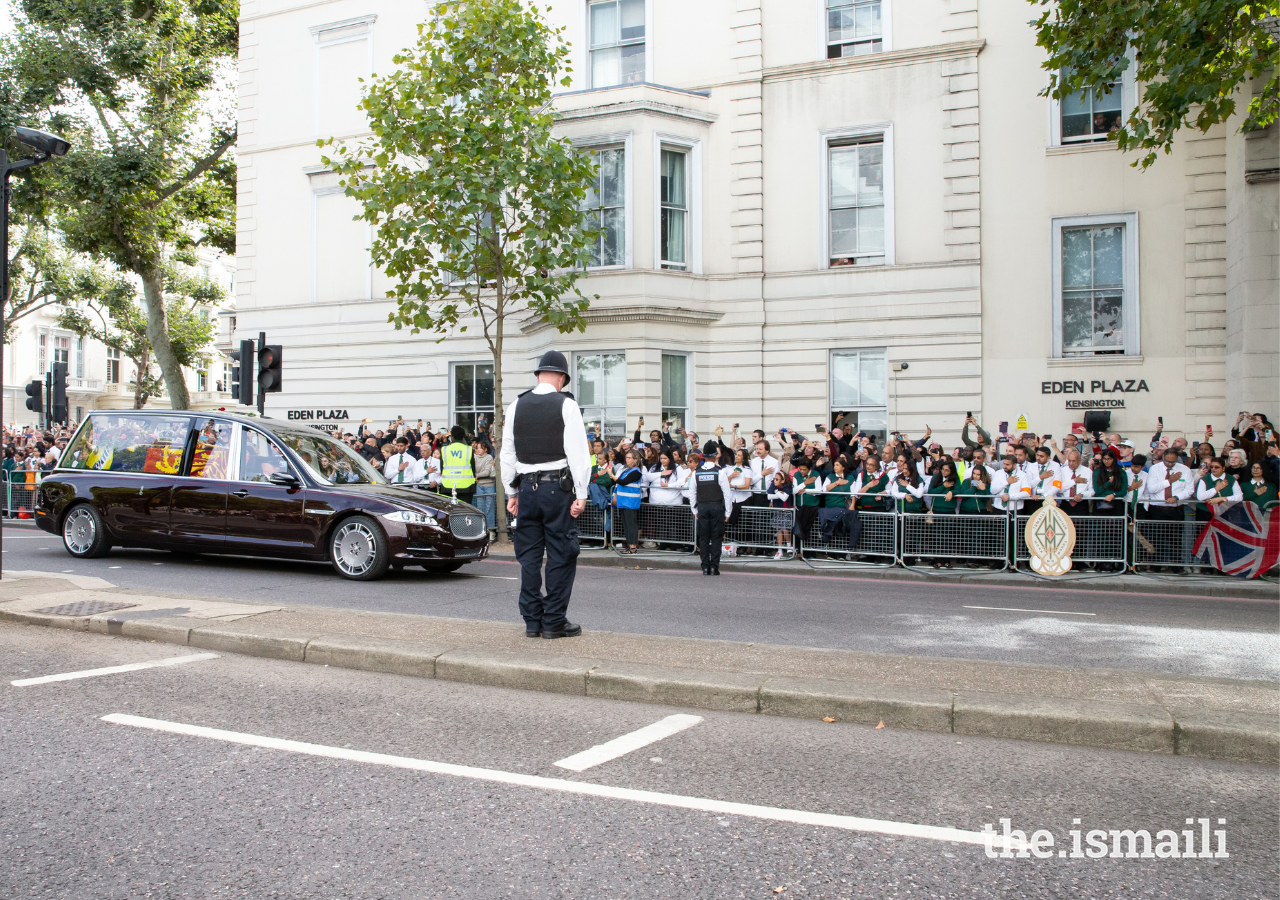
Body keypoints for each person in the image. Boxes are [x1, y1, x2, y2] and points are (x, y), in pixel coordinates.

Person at [500, 350, 591, 640]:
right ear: (562, 377)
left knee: (528, 556)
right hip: (557, 489)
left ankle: (531, 621)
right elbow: (578, 454)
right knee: (561, 554)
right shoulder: (566, 404)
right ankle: (553, 621)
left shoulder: (516, 404)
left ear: (538, 374)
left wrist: (511, 491)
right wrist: (582, 492)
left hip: (526, 487)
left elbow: (507, 453)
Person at [687, 440, 734, 575]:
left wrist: (694, 510)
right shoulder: (719, 472)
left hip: (702, 507)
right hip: (717, 507)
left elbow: (692, 493)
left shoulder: (697, 472)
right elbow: (727, 493)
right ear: (715, 456)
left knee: (703, 538)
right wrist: (728, 511)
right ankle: (714, 567)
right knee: (716, 537)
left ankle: (705, 567)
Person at [613, 449, 644, 554]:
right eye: (626, 457)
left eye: (629, 458)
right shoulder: (626, 470)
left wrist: (612, 475)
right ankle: (629, 545)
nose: (627, 459)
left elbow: (623, 482)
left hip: (630, 502)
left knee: (631, 525)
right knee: (626, 525)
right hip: (624, 501)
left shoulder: (636, 472)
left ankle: (633, 547)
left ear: (635, 459)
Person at [440, 425, 477, 504]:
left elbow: (441, 468)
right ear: (463, 437)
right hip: (466, 486)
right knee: (465, 511)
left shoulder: (445, 449)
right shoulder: (468, 449)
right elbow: (473, 468)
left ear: (452, 437)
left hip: (448, 485)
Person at [472, 441, 497, 537]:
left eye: (479, 448)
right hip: (479, 485)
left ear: (485, 449)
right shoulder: (474, 457)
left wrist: (476, 475)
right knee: (480, 508)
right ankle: (481, 529)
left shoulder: (489, 457)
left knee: (489, 508)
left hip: (489, 485)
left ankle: (490, 530)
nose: (477, 449)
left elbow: (486, 472)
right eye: (476, 448)